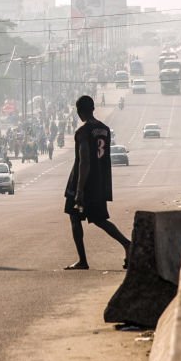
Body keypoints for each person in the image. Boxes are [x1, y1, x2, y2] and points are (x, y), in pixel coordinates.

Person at [63, 95, 131, 270]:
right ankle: (127, 245)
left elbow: (84, 161)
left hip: (82, 182)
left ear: (79, 112)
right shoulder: (105, 130)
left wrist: (79, 190)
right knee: (100, 220)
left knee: (74, 218)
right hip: (99, 182)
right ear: (93, 108)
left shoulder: (82, 132)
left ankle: (82, 260)